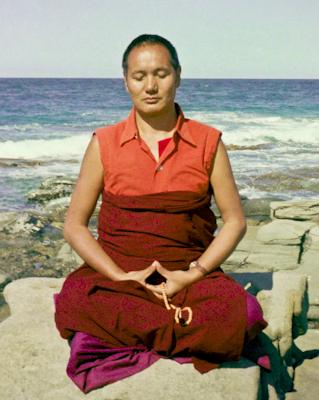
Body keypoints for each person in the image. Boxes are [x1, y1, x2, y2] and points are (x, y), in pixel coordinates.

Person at [54, 34, 268, 393]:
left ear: (178, 76)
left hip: (188, 274)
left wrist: (191, 275)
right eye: (140, 76)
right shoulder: (104, 143)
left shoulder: (208, 142)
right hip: (121, 275)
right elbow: (75, 225)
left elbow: (235, 221)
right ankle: (173, 333)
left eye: (161, 74)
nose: (151, 86)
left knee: (245, 315)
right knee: (75, 300)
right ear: (125, 82)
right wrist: (121, 276)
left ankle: (134, 336)